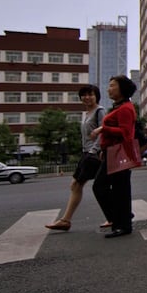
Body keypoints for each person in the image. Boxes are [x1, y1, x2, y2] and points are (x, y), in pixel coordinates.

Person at [45, 85, 107, 231]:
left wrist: (94, 150)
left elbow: (103, 131)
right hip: (86, 153)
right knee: (77, 185)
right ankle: (66, 220)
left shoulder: (100, 111)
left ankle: (66, 220)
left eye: (90, 94)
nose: (87, 97)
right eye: (84, 95)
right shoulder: (86, 114)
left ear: (96, 96)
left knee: (88, 186)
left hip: (94, 154)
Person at [91, 75, 139, 239]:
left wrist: (103, 129)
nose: (108, 88)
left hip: (120, 151)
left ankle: (122, 223)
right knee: (114, 188)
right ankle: (121, 219)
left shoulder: (126, 108)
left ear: (122, 89)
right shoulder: (119, 107)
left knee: (110, 188)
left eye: (112, 86)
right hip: (112, 151)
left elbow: (126, 134)